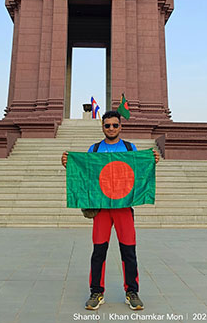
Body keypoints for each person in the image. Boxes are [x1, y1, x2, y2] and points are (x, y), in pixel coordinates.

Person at [61, 110, 160, 311]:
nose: (111, 128)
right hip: (102, 209)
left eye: (115, 125)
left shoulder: (130, 148)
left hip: (123, 208)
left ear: (120, 127)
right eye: (108, 125)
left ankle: (132, 292)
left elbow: (138, 173)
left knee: (129, 251)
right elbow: (86, 175)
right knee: (98, 252)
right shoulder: (95, 149)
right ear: (103, 127)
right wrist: (69, 165)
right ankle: (96, 292)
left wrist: (151, 161)